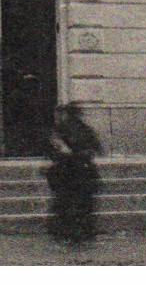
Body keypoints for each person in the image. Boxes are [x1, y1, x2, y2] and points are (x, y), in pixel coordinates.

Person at [45, 102, 103, 246]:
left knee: (66, 202)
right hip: (83, 171)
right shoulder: (86, 129)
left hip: (67, 172)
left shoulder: (60, 130)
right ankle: (84, 233)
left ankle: (66, 233)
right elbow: (97, 149)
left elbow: (52, 151)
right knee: (82, 203)